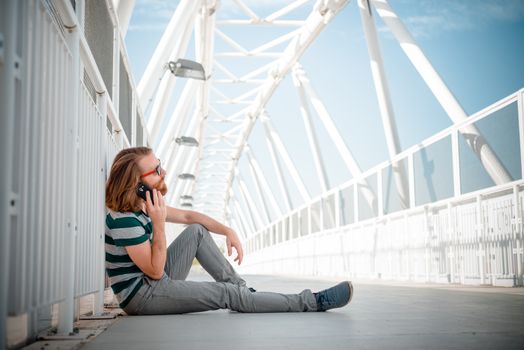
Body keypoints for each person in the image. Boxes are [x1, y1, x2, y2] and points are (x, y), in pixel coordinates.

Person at [104, 146, 353, 315]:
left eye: (161, 165)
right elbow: (156, 272)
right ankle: (313, 301)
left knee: (197, 231)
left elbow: (190, 216)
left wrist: (227, 230)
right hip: (141, 297)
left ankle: (243, 292)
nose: (164, 172)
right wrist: (159, 224)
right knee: (225, 294)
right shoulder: (125, 219)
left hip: (153, 282)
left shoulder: (143, 205)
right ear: (137, 184)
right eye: (156, 171)